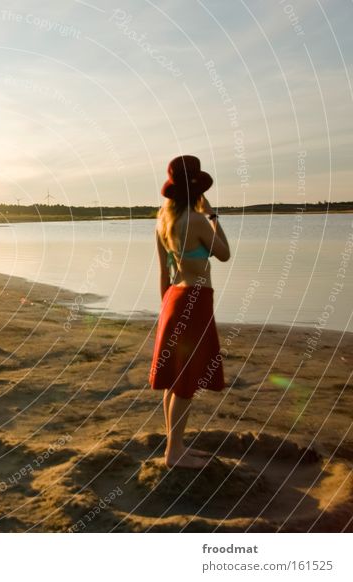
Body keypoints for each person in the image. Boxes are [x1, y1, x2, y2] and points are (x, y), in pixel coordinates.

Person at [148, 155, 231, 469]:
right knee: (186, 379)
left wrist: (164, 312)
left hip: (173, 299)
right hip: (195, 300)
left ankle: (176, 444)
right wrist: (212, 216)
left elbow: (162, 274)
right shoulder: (197, 221)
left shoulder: (163, 223)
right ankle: (174, 453)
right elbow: (223, 253)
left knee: (174, 377)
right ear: (196, 191)